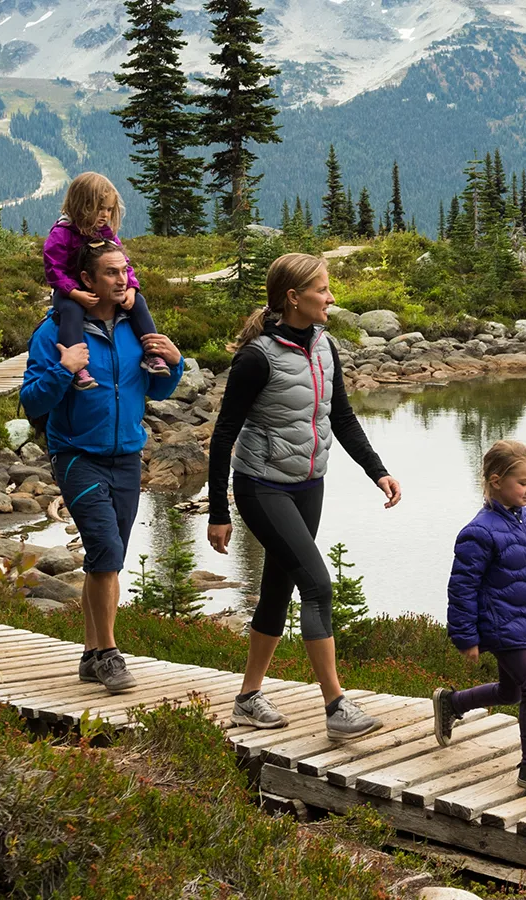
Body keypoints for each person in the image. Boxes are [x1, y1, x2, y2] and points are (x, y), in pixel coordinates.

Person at [207, 252, 402, 741]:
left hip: (308, 484)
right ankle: (336, 705)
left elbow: (341, 417)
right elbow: (224, 433)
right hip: (260, 484)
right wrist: (217, 510)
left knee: (280, 586)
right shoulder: (256, 357)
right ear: (293, 297)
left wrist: (377, 471)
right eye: (322, 290)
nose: (331, 299)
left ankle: (248, 697)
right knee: (318, 584)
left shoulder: (324, 346)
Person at [20, 240, 184, 693]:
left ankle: (91, 655)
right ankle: (110, 655)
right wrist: (62, 368)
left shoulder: (135, 327)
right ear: (87, 281)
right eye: (111, 272)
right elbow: (31, 400)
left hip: (127, 457)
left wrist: (174, 364)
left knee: (105, 558)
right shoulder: (55, 331)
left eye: (125, 270)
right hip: (76, 455)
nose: (122, 278)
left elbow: (161, 391)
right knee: (107, 551)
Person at [433, 440, 526, 796]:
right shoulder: (478, 532)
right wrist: (465, 637)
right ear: (496, 481)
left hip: (523, 620)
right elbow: (461, 588)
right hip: (497, 624)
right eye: (523, 482)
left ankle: (452, 703)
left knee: (512, 691)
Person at [43, 171, 169, 392]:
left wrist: (131, 287)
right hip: (69, 293)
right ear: (80, 205)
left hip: (98, 289)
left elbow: (124, 263)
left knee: (137, 302)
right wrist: (74, 292)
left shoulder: (106, 234)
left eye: (109, 209)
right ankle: (77, 368)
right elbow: (54, 270)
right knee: (72, 311)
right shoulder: (61, 233)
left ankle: (153, 353)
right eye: (98, 208)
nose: (104, 215)